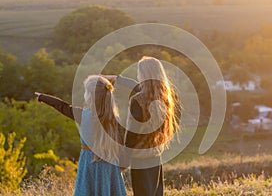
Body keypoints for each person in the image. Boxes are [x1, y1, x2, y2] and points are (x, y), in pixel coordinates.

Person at [35, 75, 126, 196]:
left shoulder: (83, 115)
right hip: (110, 165)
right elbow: (125, 146)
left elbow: (63, 106)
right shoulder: (115, 119)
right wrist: (122, 166)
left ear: (90, 96)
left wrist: (43, 97)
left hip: (89, 164)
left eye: (86, 92)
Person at [104, 56, 181, 196]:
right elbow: (140, 87)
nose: (138, 75)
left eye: (139, 72)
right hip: (156, 156)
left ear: (143, 75)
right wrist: (118, 79)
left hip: (140, 159)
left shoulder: (137, 101)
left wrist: (124, 160)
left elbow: (132, 135)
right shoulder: (163, 97)